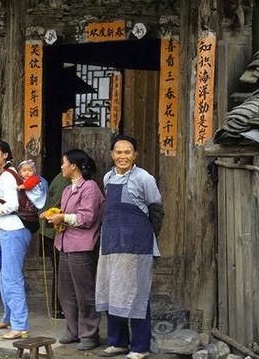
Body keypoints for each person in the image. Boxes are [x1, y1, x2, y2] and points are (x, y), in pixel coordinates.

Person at [96, 135, 164, 359]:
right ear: (112, 154)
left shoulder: (144, 178)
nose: (122, 156)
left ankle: (140, 347)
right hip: (112, 245)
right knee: (112, 292)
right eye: (118, 152)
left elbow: (156, 211)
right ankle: (118, 342)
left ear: (135, 155)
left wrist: (146, 237)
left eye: (127, 152)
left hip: (137, 247)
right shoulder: (107, 178)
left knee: (136, 295)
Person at [45, 149, 104, 351]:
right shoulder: (67, 190)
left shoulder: (90, 188)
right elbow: (68, 214)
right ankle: (73, 331)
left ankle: (89, 334)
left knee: (85, 293)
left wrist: (63, 217)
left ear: (74, 166)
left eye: (64, 163)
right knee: (66, 292)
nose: (61, 166)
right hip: (64, 244)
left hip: (82, 246)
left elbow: (86, 218)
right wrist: (55, 215)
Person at [0, 140, 31, 340]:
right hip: (9, 229)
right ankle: (8, 317)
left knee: (12, 277)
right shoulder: (8, 175)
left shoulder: (8, 177)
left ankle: (20, 325)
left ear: (5, 155)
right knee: (5, 275)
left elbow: (13, 204)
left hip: (14, 229)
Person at [38, 172, 70, 320]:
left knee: (59, 271)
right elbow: (57, 203)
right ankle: (58, 309)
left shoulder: (61, 178)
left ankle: (59, 308)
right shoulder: (65, 181)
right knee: (60, 271)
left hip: (50, 230)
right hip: (52, 231)